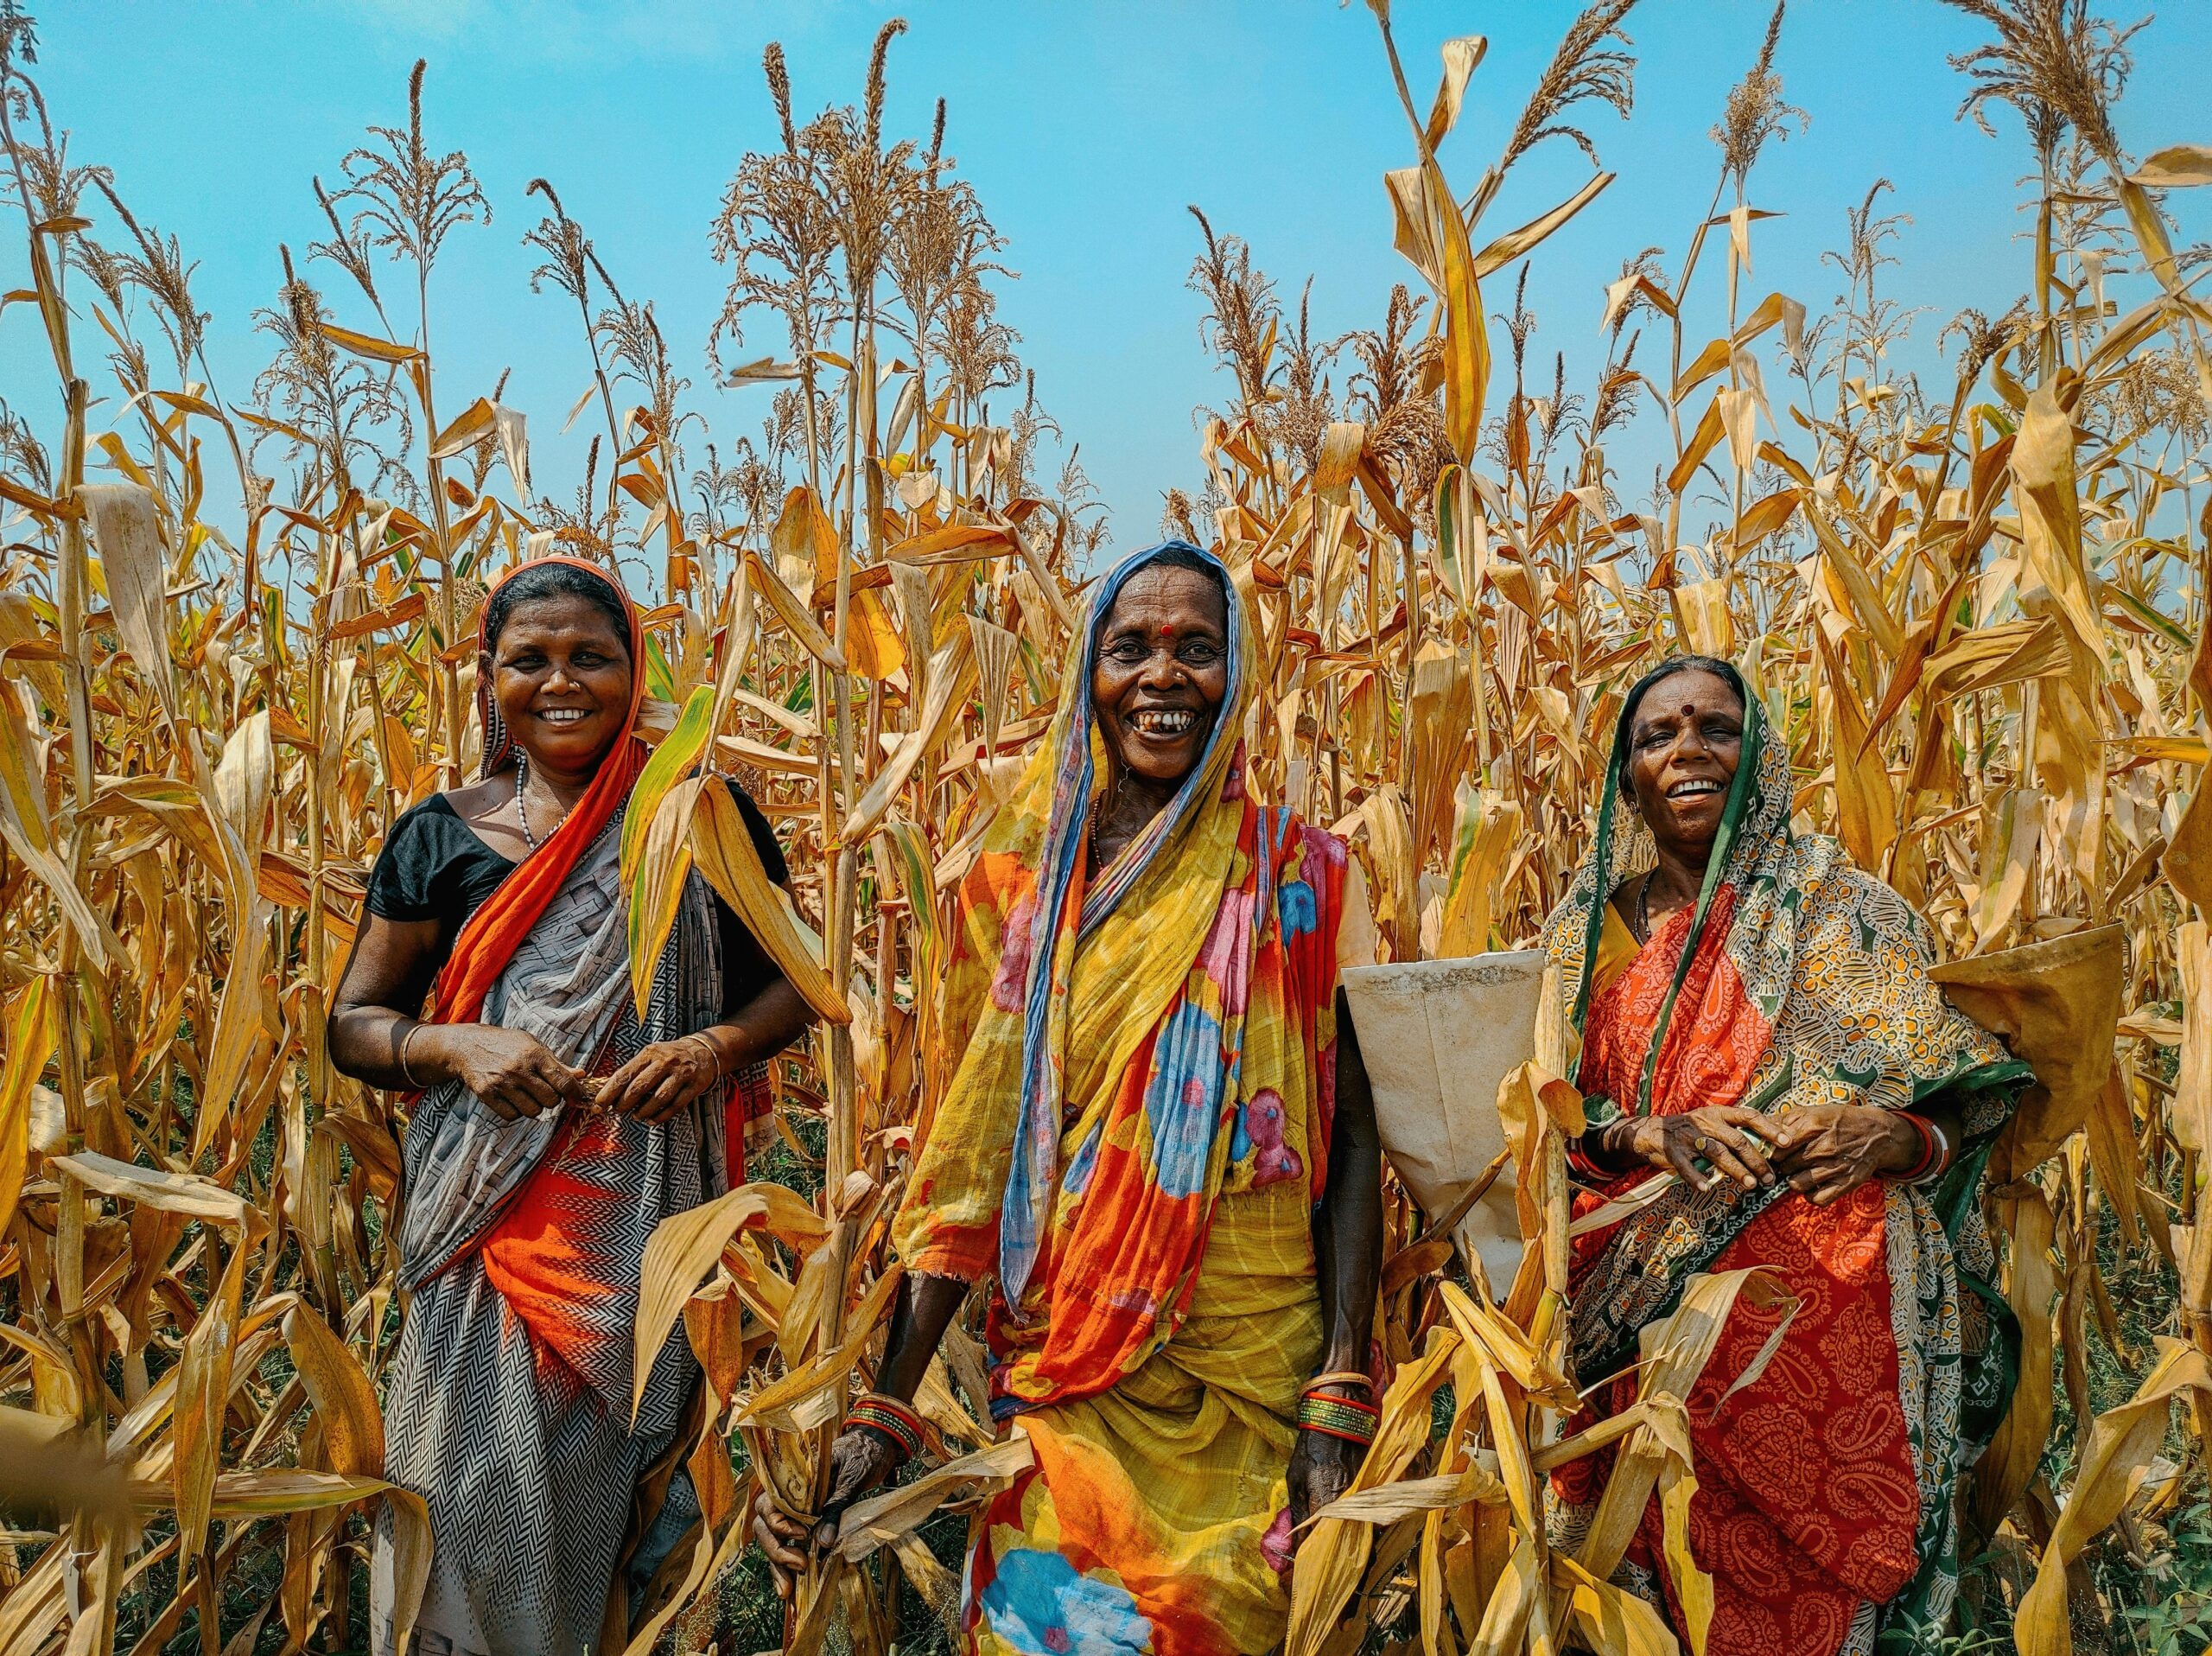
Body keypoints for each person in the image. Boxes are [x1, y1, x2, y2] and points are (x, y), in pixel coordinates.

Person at [757, 539, 1385, 1654]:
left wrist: (1338, 1383)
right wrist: (888, 1408)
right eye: (1130, 647)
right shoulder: (1013, 883)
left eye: (1198, 649)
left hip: (1252, 1371)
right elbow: (970, 1151)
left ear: (1236, 677)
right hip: (1063, 1363)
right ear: (1085, 673)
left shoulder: (1305, 874)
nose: (1163, 676)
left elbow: (1346, 1138)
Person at [329, 556, 816, 1656]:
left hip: (646, 1240)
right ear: (488, 676)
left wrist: (712, 1045)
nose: (561, 682)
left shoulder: (701, 814)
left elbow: (800, 977)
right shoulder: (441, 834)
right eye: (528, 660)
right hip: (482, 1241)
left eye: (590, 656)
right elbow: (353, 1022)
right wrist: (454, 1045)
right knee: (458, 1505)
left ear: (632, 668)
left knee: (623, 1510)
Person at [1541, 654, 2032, 1656]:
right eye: (1655, 735)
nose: (1686, 750)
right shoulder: (1576, 938)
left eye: (1714, 727)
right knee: (1649, 1593)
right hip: (1636, 1343)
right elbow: (1527, 1125)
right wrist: (1638, 1131)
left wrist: (1892, 1133)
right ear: (1623, 775)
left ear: (1758, 752)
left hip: (1834, 1346)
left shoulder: (1846, 911)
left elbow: (1957, 1116)